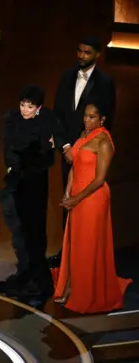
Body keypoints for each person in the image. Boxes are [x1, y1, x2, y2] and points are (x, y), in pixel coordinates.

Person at [53, 102, 131, 313]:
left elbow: (99, 180)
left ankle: (84, 292)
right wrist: (68, 192)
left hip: (93, 199)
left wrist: (76, 199)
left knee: (88, 246)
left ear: (102, 119)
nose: (87, 121)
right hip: (77, 197)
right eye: (85, 117)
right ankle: (71, 285)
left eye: (92, 117)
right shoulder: (84, 135)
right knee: (75, 244)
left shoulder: (104, 142)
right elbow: (75, 165)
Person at [50, 36, 116, 266]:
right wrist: (66, 147)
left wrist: (86, 149)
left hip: (89, 156)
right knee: (67, 201)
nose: (81, 56)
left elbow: (107, 120)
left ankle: (86, 259)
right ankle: (67, 255)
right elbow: (56, 114)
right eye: (79, 51)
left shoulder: (105, 82)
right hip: (67, 152)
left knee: (85, 207)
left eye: (87, 52)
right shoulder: (66, 77)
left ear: (97, 54)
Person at [0, 85, 61, 300]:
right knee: (20, 232)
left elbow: (47, 154)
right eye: (23, 105)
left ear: (39, 108)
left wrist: (33, 155)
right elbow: (9, 150)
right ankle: (26, 275)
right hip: (16, 183)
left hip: (35, 185)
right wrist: (15, 165)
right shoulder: (13, 120)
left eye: (30, 106)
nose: (25, 109)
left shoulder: (45, 121)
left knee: (34, 232)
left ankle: (38, 280)